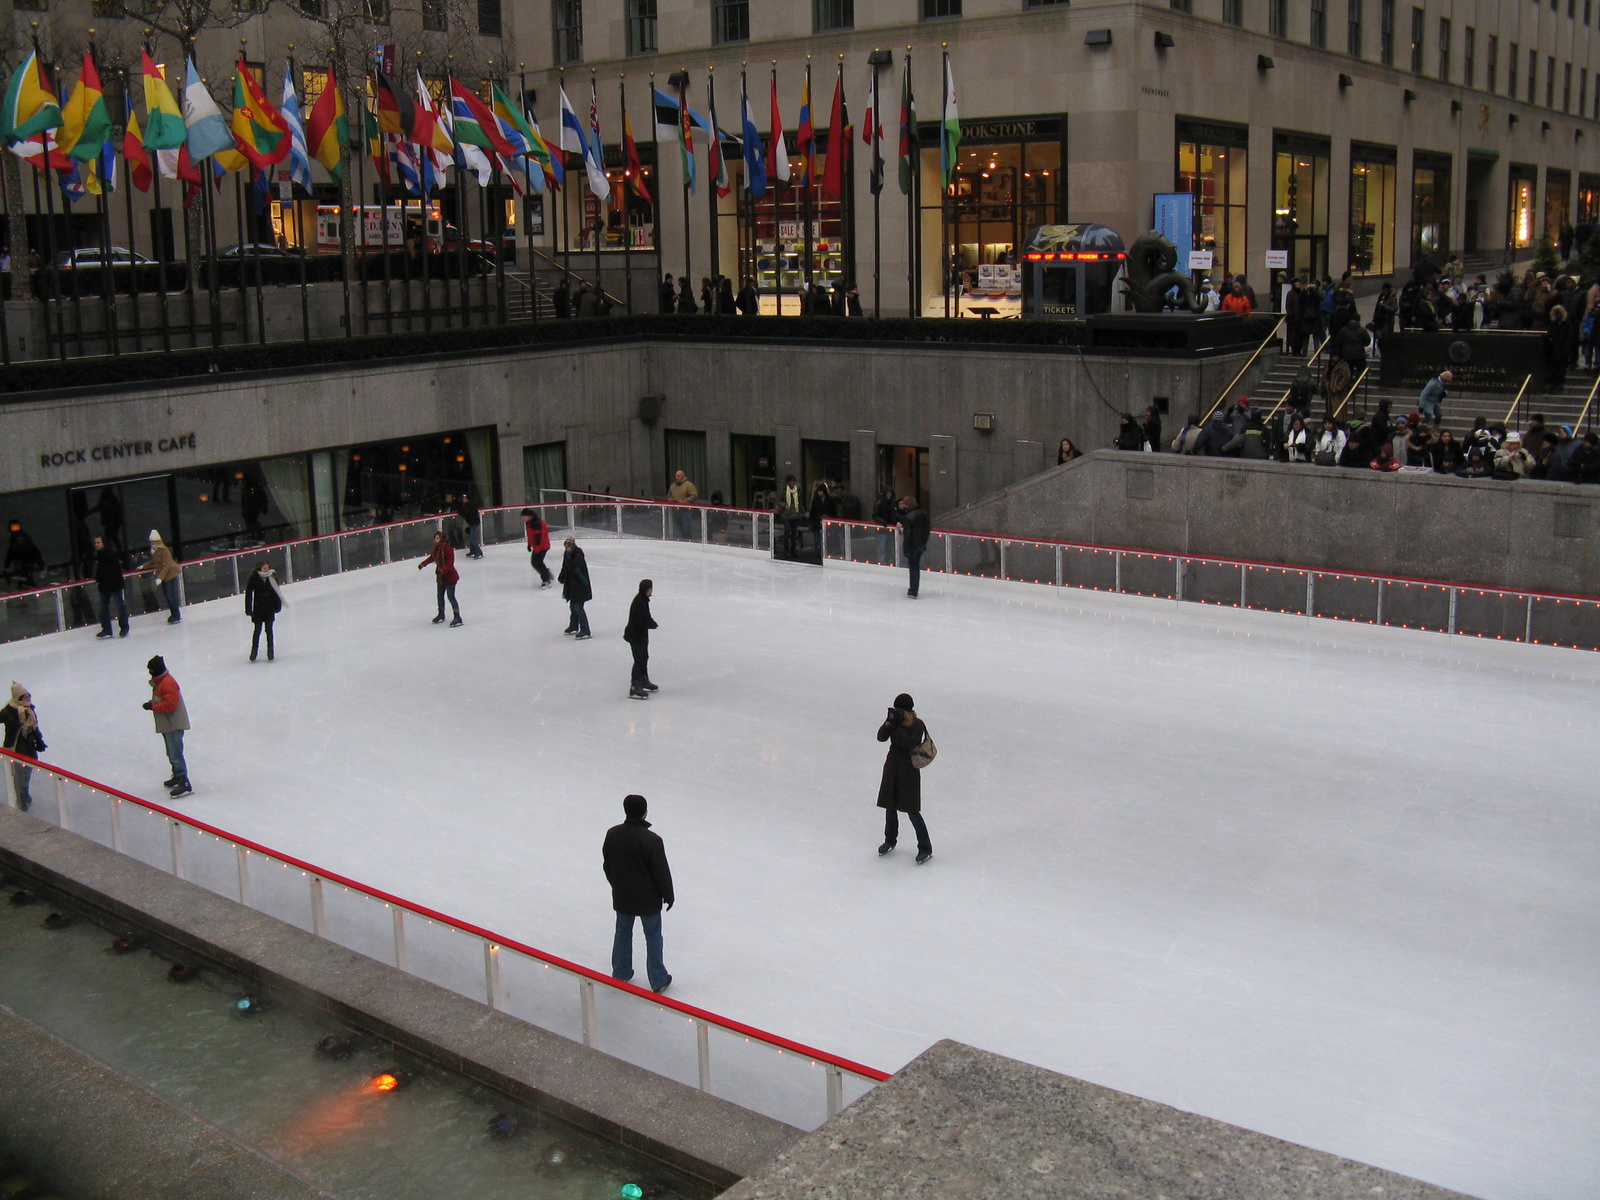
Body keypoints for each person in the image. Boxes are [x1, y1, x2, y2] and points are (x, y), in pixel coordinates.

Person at [603, 794, 674, 993]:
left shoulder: (613, 834)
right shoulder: (652, 841)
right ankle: (658, 979)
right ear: (644, 812)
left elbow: (607, 865)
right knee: (653, 936)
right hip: (648, 900)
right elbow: (661, 872)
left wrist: (616, 884)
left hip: (623, 896)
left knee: (622, 933)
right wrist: (668, 895)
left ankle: (621, 972)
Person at [876, 693, 932, 864]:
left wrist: (897, 726)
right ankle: (890, 840)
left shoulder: (918, 724)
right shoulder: (895, 722)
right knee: (890, 806)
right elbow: (881, 737)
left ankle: (925, 848)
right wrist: (888, 723)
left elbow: (908, 743)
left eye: (901, 709)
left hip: (908, 770)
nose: (898, 712)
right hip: (892, 767)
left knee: (912, 810)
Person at [142, 656, 191, 798]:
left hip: (173, 724)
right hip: (168, 724)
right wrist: (152, 703)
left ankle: (184, 780)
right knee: (171, 752)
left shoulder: (167, 683)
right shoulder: (161, 682)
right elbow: (162, 699)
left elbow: (170, 704)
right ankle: (177, 775)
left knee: (176, 753)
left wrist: (153, 706)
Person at [1, 682, 44, 812]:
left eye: (28, 695)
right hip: (15, 749)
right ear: (18, 698)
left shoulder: (30, 710)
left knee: (27, 772)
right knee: (18, 773)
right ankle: (20, 796)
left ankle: (24, 791)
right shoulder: (9, 712)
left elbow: (34, 728)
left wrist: (39, 740)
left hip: (29, 747)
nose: (28, 698)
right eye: (25, 697)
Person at [417, 530, 462, 627]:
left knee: (451, 597)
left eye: (437, 538)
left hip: (450, 578)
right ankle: (441, 614)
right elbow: (432, 558)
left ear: (442, 539)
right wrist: (423, 564)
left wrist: (442, 570)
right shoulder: (436, 549)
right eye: (435, 538)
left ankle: (457, 616)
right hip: (440, 578)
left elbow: (450, 564)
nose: (435, 540)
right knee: (440, 597)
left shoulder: (448, 549)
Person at [623, 579, 658, 700]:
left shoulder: (643, 600)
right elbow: (640, 620)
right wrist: (651, 624)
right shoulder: (640, 602)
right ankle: (635, 686)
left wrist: (651, 623)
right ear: (647, 589)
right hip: (635, 636)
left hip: (640, 635)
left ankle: (643, 680)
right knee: (639, 659)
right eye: (651, 588)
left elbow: (645, 617)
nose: (651, 591)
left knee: (644, 657)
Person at [243, 559, 284, 662]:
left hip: (269, 608)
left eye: (267, 568)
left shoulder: (272, 577)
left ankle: (270, 651)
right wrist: (249, 609)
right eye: (264, 568)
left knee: (269, 630)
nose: (266, 570)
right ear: (259, 568)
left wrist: (277, 606)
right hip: (258, 608)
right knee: (257, 630)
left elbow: (277, 592)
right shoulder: (254, 578)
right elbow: (249, 594)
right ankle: (254, 651)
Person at [93, 535, 129, 639]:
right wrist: (99, 580)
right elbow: (101, 570)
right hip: (105, 586)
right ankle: (107, 630)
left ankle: (124, 628)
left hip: (114, 585)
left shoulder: (110, 554)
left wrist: (106, 583)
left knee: (119, 605)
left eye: (98, 542)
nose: (96, 545)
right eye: (95, 543)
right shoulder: (100, 554)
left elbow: (112, 571)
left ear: (103, 542)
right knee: (103, 607)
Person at [144, 530, 182, 624]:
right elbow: (154, 561)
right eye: (151, 542)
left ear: (157, 541)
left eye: (153, 542)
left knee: (170, 595)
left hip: (170, 574)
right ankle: (174, 614)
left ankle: (176, 615)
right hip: (164, 575)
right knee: (167, 595)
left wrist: (160, 578)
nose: (152, 544)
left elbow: (166, 565)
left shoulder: (163, 549)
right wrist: (144, 566)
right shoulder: (155, 550)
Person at [558, 536, 592, 638]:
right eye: (565, 547)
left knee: (578, 608)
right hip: (572, 586)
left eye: (568, 547)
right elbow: (565, 567)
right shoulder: (567, 555)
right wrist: (562, 577)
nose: (566, 549)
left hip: (580, 585)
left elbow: (575, 568)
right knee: (573, 607)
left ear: (572, 547)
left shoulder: (578, 555)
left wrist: (569, 560)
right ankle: (573, 626)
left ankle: (585, 630)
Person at [898, 495, 930, 598]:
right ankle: (914, 588)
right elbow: (927, 529)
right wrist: (924, 542)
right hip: (921, 544)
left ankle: (913, 589)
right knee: (916, 566)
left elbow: (908, 534)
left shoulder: (909, 517)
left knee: (913, 567)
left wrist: (905, 548)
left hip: (913, 545)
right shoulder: (923, 514)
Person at [4, 521, 45, 590]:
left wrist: (41, 565)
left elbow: (35, 552)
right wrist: (6, 568)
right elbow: (9, 556)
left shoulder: (27, 540)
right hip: (18, 574)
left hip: (30, 570)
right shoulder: (10, 543)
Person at [522, 508, 553, 586]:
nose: (522, 518)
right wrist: (529, 544)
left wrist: (536, 550)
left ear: (529, 516)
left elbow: (539, 538)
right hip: (537, 546)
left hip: (543, 546)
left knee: (537, 562)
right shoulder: (529, 522)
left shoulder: (536, 523)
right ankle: (547, 574)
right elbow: (530, 535)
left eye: (524, 516)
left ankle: (546, 579)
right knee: (536, 562)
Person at [777, 474, 805, 558]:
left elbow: (799, 502)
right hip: (787, 515)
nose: (792, 483)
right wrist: (784, 506)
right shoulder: (784, 491)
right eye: (790, 482)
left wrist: (802, 512)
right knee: (787, 532)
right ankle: (786, 549)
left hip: (795, 515)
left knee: (794, 533)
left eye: (793, 482)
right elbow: (778, 501)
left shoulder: (797, 491)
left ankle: (793, 549)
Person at [667, 469, 698, 540]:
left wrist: (685, 501)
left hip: (686, 510)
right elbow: (669, 495)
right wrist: (671, 500)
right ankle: (684, 539)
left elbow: (694, 495)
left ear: (682, 476)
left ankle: (688, 539)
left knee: (686, 526)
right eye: (676, 476)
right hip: (676, 510)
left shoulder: (689, 485)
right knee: (679, 526)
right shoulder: (673, 486)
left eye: (678, 476)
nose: (676, 478)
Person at [453, 493, 483, 560]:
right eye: (463, 498)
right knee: (471, 538)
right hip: (472, 523)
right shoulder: (467, 504)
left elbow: (464, 513)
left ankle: (479, 552)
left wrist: (458, 509)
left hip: (474, 523)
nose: (463, 499)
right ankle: (473, 551)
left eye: (465, 498)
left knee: (472, 538)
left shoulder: (470, 505)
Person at [808, 481, 836, 546]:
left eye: (820, 491)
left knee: (826, 538)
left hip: (827, 521)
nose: (819, 493)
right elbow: (813, 510)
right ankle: (818, 551)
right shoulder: (816, 500)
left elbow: (833, 511)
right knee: (817, 538)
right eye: (818, 491)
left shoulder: (830, 500)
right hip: (817, 521)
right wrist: (811, 521)